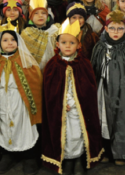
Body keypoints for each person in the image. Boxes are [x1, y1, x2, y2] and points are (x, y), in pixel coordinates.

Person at [0, 24, 43, 175]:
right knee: (4, 126)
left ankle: (29, 157)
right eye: (5, 40)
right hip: (2, 100)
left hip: (21, 101)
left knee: (24, 127)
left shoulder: (27, 61)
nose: (10, 43)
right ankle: (7, 155)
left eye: (13, 40)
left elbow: (35, 83)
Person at [41, 18, 103, 175]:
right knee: (66, 135)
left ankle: (79, 159)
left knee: (79, 134)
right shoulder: (52, 65)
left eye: (72, 43)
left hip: (79, 109)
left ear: (79, 45)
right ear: (57, 44)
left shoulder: (84, 64)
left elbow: (89, 90)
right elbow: (49, 92)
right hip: (62, 111)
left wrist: (77, 102)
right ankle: (67, 159)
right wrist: (60, 103)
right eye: (64, 43)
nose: (68, 46)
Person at [92, 10, 125, 165]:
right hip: (102, 90)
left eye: (120, 28)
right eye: (112, 28)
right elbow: (94, 68)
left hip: (123, 93)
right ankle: (105, 151)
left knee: (121, 120)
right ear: (106, 28)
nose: (116, 32)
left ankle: (121, 153)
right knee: (103, 119)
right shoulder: (100, 47)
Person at [21, 0, 59, 70]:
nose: (40, 15)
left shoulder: (55, 31)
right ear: (31, 17)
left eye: (43, 13)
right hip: (34, 71)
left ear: (47, 15)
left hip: (53, 68)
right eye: (36, 13)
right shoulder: (26, 33)